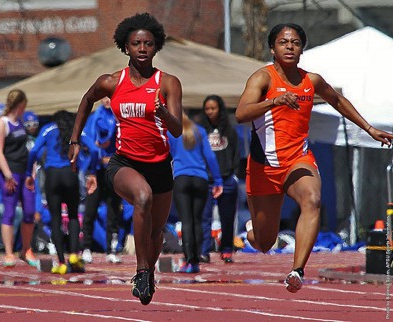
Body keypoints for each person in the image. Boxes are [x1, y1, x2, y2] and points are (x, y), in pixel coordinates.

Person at [235, 23, 393, 293]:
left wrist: (368, 128)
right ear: (273, 49)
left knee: (312, 198)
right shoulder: (262, 78)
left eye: (295, 42)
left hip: (298, 158)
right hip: (265, 167)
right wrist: (274, 101)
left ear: (302, 49)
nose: (290, 47)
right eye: (284, 42)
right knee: (263, 242)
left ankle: (297, 270)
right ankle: (253, 231)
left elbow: (338, 100)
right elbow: (241, 113)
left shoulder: (312, 81)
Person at [68, 13, 183, 305]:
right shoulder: (111, 81)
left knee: (157, 231)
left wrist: (163, 113)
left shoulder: (168, 83)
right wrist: (75, 140)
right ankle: (142, 270)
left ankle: (148, 272)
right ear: (125, 47)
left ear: (156, 47)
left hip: (160, 165)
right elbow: (85, 100)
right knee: (141, 197)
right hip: (124, 163)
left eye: (148, 43)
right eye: (136, 43)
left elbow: (178, 130)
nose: (142, 48)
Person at [26, 110, 85, 274]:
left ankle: (61, 262)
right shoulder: (75, 129)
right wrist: (90, 169)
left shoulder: (48, 129)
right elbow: (94, 149)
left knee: (56, 218)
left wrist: (27, 173)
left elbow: (33, 151)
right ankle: (74, 255)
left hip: (52, 176)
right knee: (73, 215)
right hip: (69, 173)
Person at [168, 112, 223, 273]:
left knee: (186, 221)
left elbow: (165, 154)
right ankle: (196, 260)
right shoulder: (199, 131)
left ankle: (188, 260)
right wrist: (218, 180)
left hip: (181, 178)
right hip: (200, 178)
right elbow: (210, 156)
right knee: (197, 221)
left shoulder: (172, 132)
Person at [0, 89, 38, 268]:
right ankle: (9, 253)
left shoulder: (20, 122)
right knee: (9, 211)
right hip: (9, 172)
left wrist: (32, 172)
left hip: (24, 172)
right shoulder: (2, 123)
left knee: (29, 211)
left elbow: (27, 149)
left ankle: (26, 249)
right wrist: (8, 175)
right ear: (20, 105)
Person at [198, 95, 240, 264]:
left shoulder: (230, 131)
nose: (210, 112)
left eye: (213, 108)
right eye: (207, 109)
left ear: (220, 109)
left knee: (227, 218)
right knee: (205, 217)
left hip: (227, 179)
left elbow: (236, 154)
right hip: (206, 180)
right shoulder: (201, 131)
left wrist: (233, 173)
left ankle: (227, 249)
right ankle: (204, 251)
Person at [82, 97, 123, 264]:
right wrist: (97, 161)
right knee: (90, 210)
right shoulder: (93, 118)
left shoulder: (120, 118)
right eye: (105, 97)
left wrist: (112, 159)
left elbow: (122, 143)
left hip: (113, 170)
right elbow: (90, 144)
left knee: (113, 211)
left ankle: (112, 250)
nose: (107, 101)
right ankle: (86, 248)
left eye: (111, 97)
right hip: (95, 172)